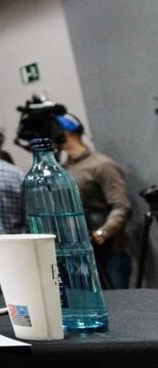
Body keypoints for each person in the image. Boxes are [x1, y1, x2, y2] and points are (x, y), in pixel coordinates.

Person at [58, 114, 133, 289]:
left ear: (67, 133)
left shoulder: (102, 165)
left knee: (118, 302)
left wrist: (102, 233)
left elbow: (121, 205)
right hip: (79, 250)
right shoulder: (62, 169)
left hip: (109, 251)